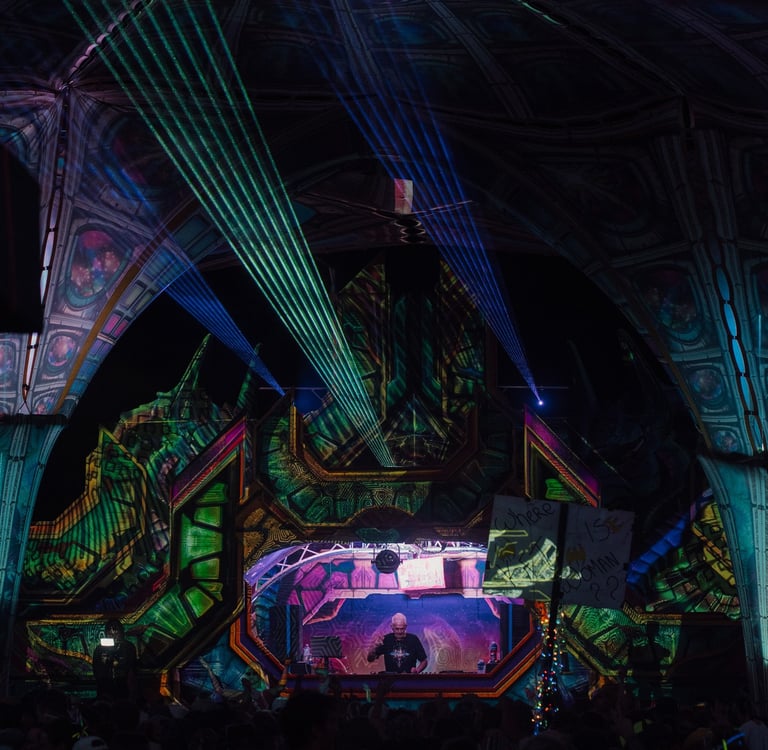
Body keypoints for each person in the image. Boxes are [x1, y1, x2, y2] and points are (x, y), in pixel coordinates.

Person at [91, 618, 138, 701]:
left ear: (121, 631)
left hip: (123, 686)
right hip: (105, 687)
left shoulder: (128, 647)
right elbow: (97, 671)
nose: (112, 633)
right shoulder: (100, 649)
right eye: (109, 630)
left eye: (115, 629)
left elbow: (132, 667)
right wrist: (104, 664)